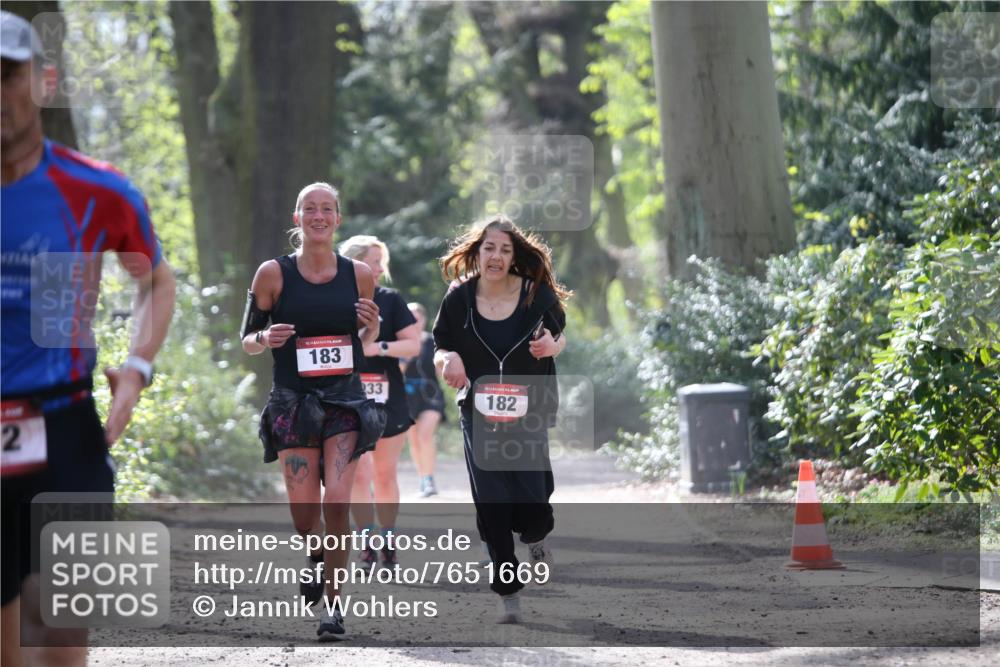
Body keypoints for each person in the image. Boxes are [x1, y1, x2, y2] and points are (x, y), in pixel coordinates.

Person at [1, 11, 177, 665]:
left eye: (6, 75)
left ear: (42, 83)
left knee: (60, 619)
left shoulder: (95, 189)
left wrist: (136, 368)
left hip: (64, 423)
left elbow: (156, 281)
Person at [241, 183, 384, 641]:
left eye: (327, 209)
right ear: (297, 217)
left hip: (344, 400)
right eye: (310, 209)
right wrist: (264, 340)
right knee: (306, 517)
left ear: (338, 219)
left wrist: (373, 327)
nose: (319, 216)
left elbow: (361, 341)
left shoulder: (359, 274)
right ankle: (318, 553)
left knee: (338, 500)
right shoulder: (273, 274)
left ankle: (334, 607)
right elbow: (246, 338)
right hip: (292, 402)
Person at [432, 214, 570, 624]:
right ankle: (507, 590)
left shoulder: (536, 295)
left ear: (515, 256)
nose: (495, 255)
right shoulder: (458, 298)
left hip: (529, 410)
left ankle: (537, 535)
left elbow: (560, 336)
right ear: (477, 252)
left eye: (505, 249)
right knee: (491, 502)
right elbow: (440, 345)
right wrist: (449, 359)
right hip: (479, 410)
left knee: (532, 497)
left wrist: (551, 346)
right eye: (488, 248)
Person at [338, 236, 420, 567]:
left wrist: (379, 348)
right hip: (347, 395)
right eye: (374, 261)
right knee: (359, 474)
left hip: (388, 396)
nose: (380, 268)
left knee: (384, 473)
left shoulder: (390, 299)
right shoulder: (335, 299)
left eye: (381, 261)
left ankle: (388, 537)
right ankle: (366, 540)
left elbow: (413, 346)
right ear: (355, 263)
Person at [402, 302, 446, 497]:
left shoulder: (433, 341)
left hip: (431, 393)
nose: (413, 321)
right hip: (407, 395)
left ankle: (429, 479)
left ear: (424, 320)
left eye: (417, 317)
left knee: (425, 435)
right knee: (414, 440)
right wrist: (407, 355)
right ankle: (423, 479)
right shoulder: (400, 342)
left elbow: (441, 371)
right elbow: (398, 371)